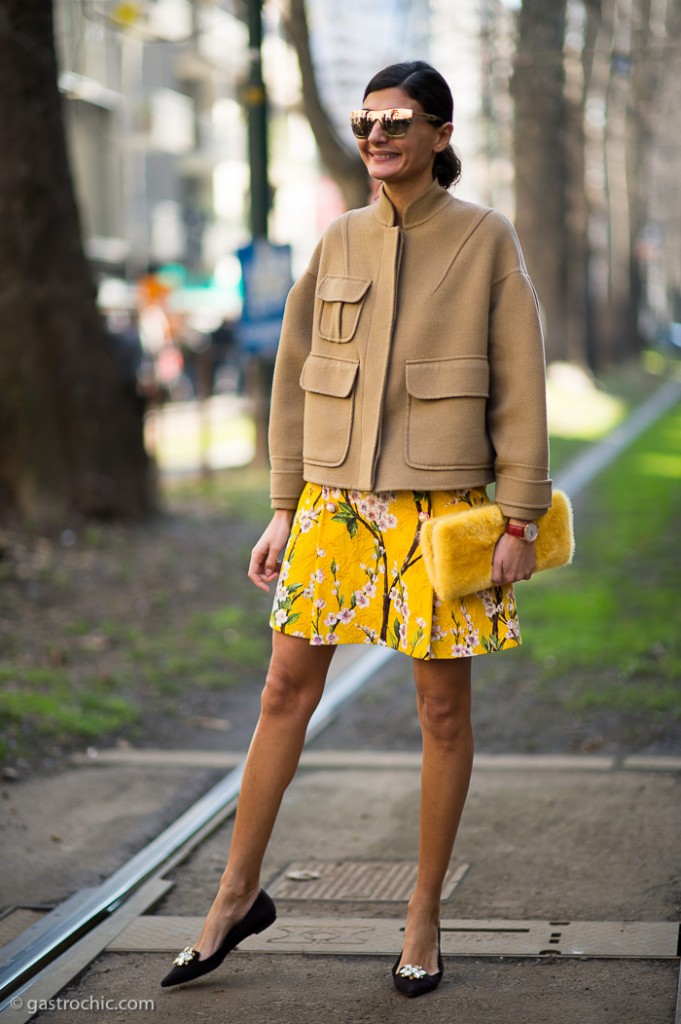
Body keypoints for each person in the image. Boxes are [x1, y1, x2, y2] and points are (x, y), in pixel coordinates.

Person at [161, 60, 550, 998]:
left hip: (441, 510)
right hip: (333, 507)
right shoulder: (335, 240)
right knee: (280, 694)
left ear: (440, 136)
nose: (377, 134)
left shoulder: (486, 240)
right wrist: (282, 508)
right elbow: (298, 377)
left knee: (440, 711)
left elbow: (523, 384)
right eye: (366, 120)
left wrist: (522, 516)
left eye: (398, 120)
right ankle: (233, 896)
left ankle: (423, 914)